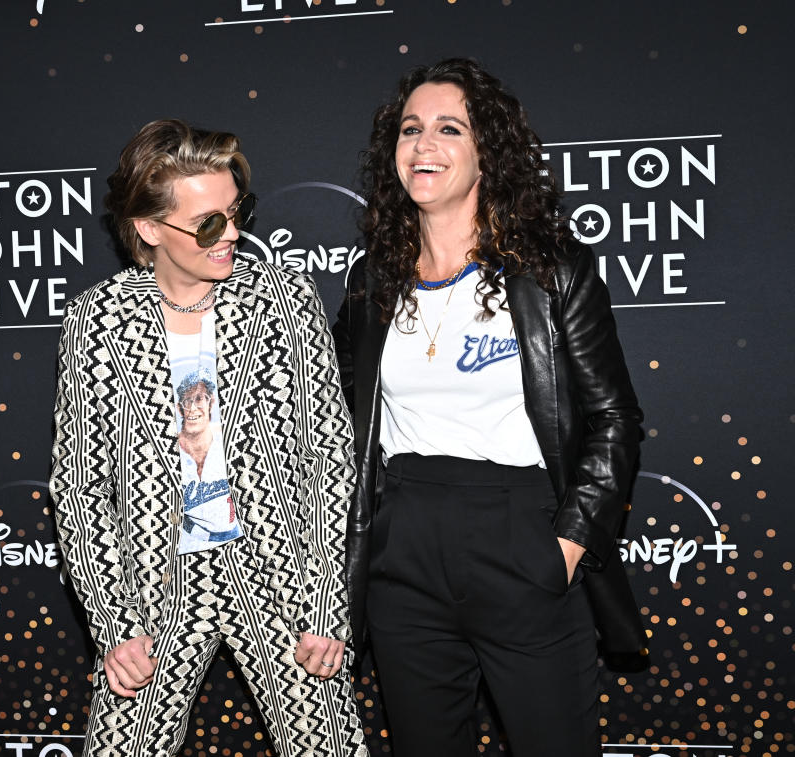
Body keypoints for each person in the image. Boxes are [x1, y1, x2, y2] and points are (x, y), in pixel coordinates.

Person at [332, 59, 647, 757]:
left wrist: (563, 549)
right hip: (405, 547)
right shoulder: (371, 282)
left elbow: (614, 419)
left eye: (449, 128)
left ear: (487, 154)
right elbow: (340, 425)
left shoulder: (551, 270)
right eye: (410, 129)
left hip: (520, 532)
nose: (424, 145)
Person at [50, 119, 367, 757]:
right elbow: (80, 485)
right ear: (147, 229)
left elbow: (329, 454)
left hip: (283, 574)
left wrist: (327, 607)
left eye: (235, 211)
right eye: (206, 224)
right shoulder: (96, 322)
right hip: (151, 582)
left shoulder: (283, 299)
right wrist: (115, 623)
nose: (231, 236)